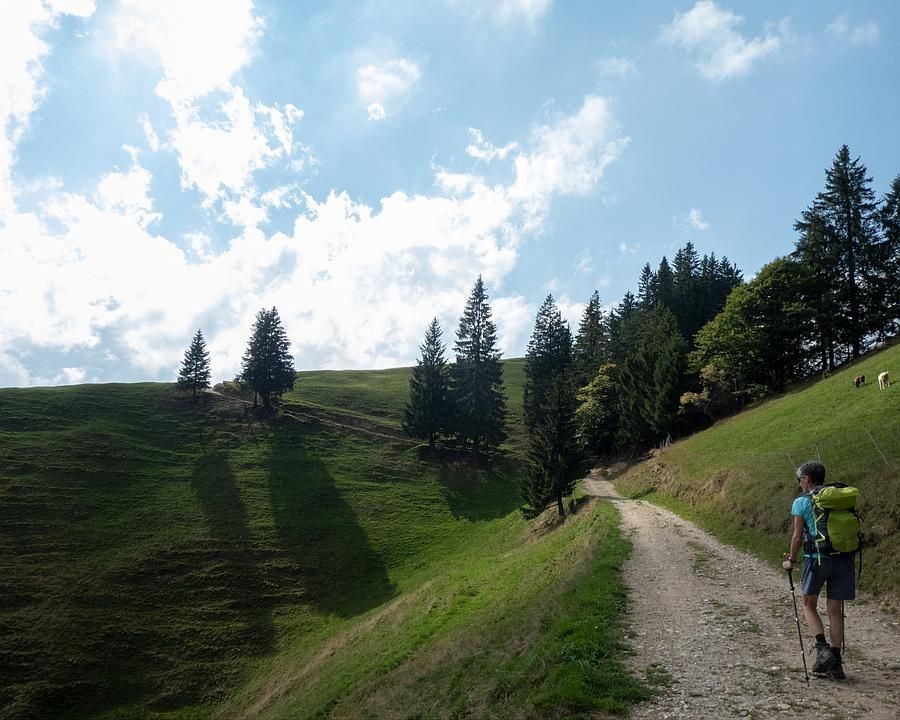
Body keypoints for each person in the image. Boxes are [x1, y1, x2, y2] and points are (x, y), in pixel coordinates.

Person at [782, 461, 855, 679]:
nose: (799, 483)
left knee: (808, 604)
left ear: (807, 479)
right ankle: (836, 661)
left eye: (800, 479)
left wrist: (791, 561)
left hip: (816, 559)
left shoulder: (801, 502)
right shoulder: (838, 499)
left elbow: (797, 536)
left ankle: (822, 649)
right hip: (843, 559)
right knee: (835, 611)